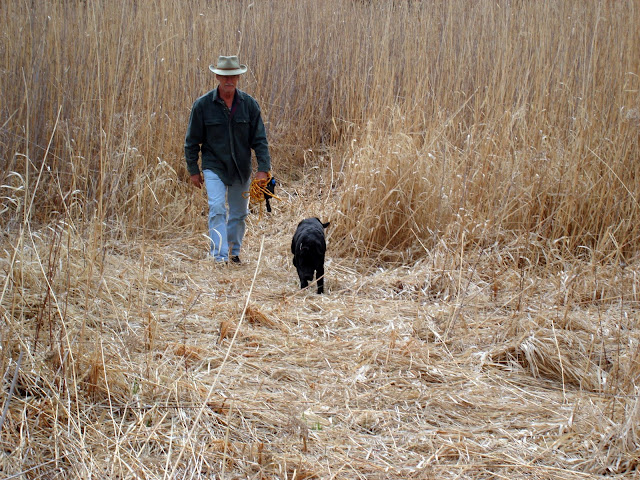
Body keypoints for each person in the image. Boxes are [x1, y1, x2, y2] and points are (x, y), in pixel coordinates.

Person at [185, 55, 271, 264]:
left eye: (233, 76)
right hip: (213, 166)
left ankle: (233, 253)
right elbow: (192, 141)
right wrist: (193, 170)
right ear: (217, 76)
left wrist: (263, 169)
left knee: (239, 213)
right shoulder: (202, 105)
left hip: (241, 168)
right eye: (224, 76)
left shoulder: (250, 105)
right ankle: (219, 256)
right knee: (217, 208)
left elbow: (260, 140)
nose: (229, 80)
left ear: (239, 77)